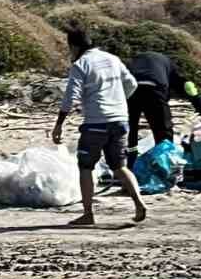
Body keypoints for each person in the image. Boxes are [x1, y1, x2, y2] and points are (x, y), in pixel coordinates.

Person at [51, 27, 147, 228]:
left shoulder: (81, 63)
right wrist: (118, 102)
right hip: (120, 120)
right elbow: (131, 84)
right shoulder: (113, 59)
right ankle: (139, 204)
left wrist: (59, 123)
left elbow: (71, 96)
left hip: (95, 123)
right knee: (119, 166)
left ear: (74, 46)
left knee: (86, 166)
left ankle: (88, 214)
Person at [125, 50, 201, 165]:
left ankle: (131, 163)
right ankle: (164, 164)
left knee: (131, 128)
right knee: (163, 131)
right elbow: (189, 87)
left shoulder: (134, 60)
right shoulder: (169, 65)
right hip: (155, 90)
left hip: (131, 90)